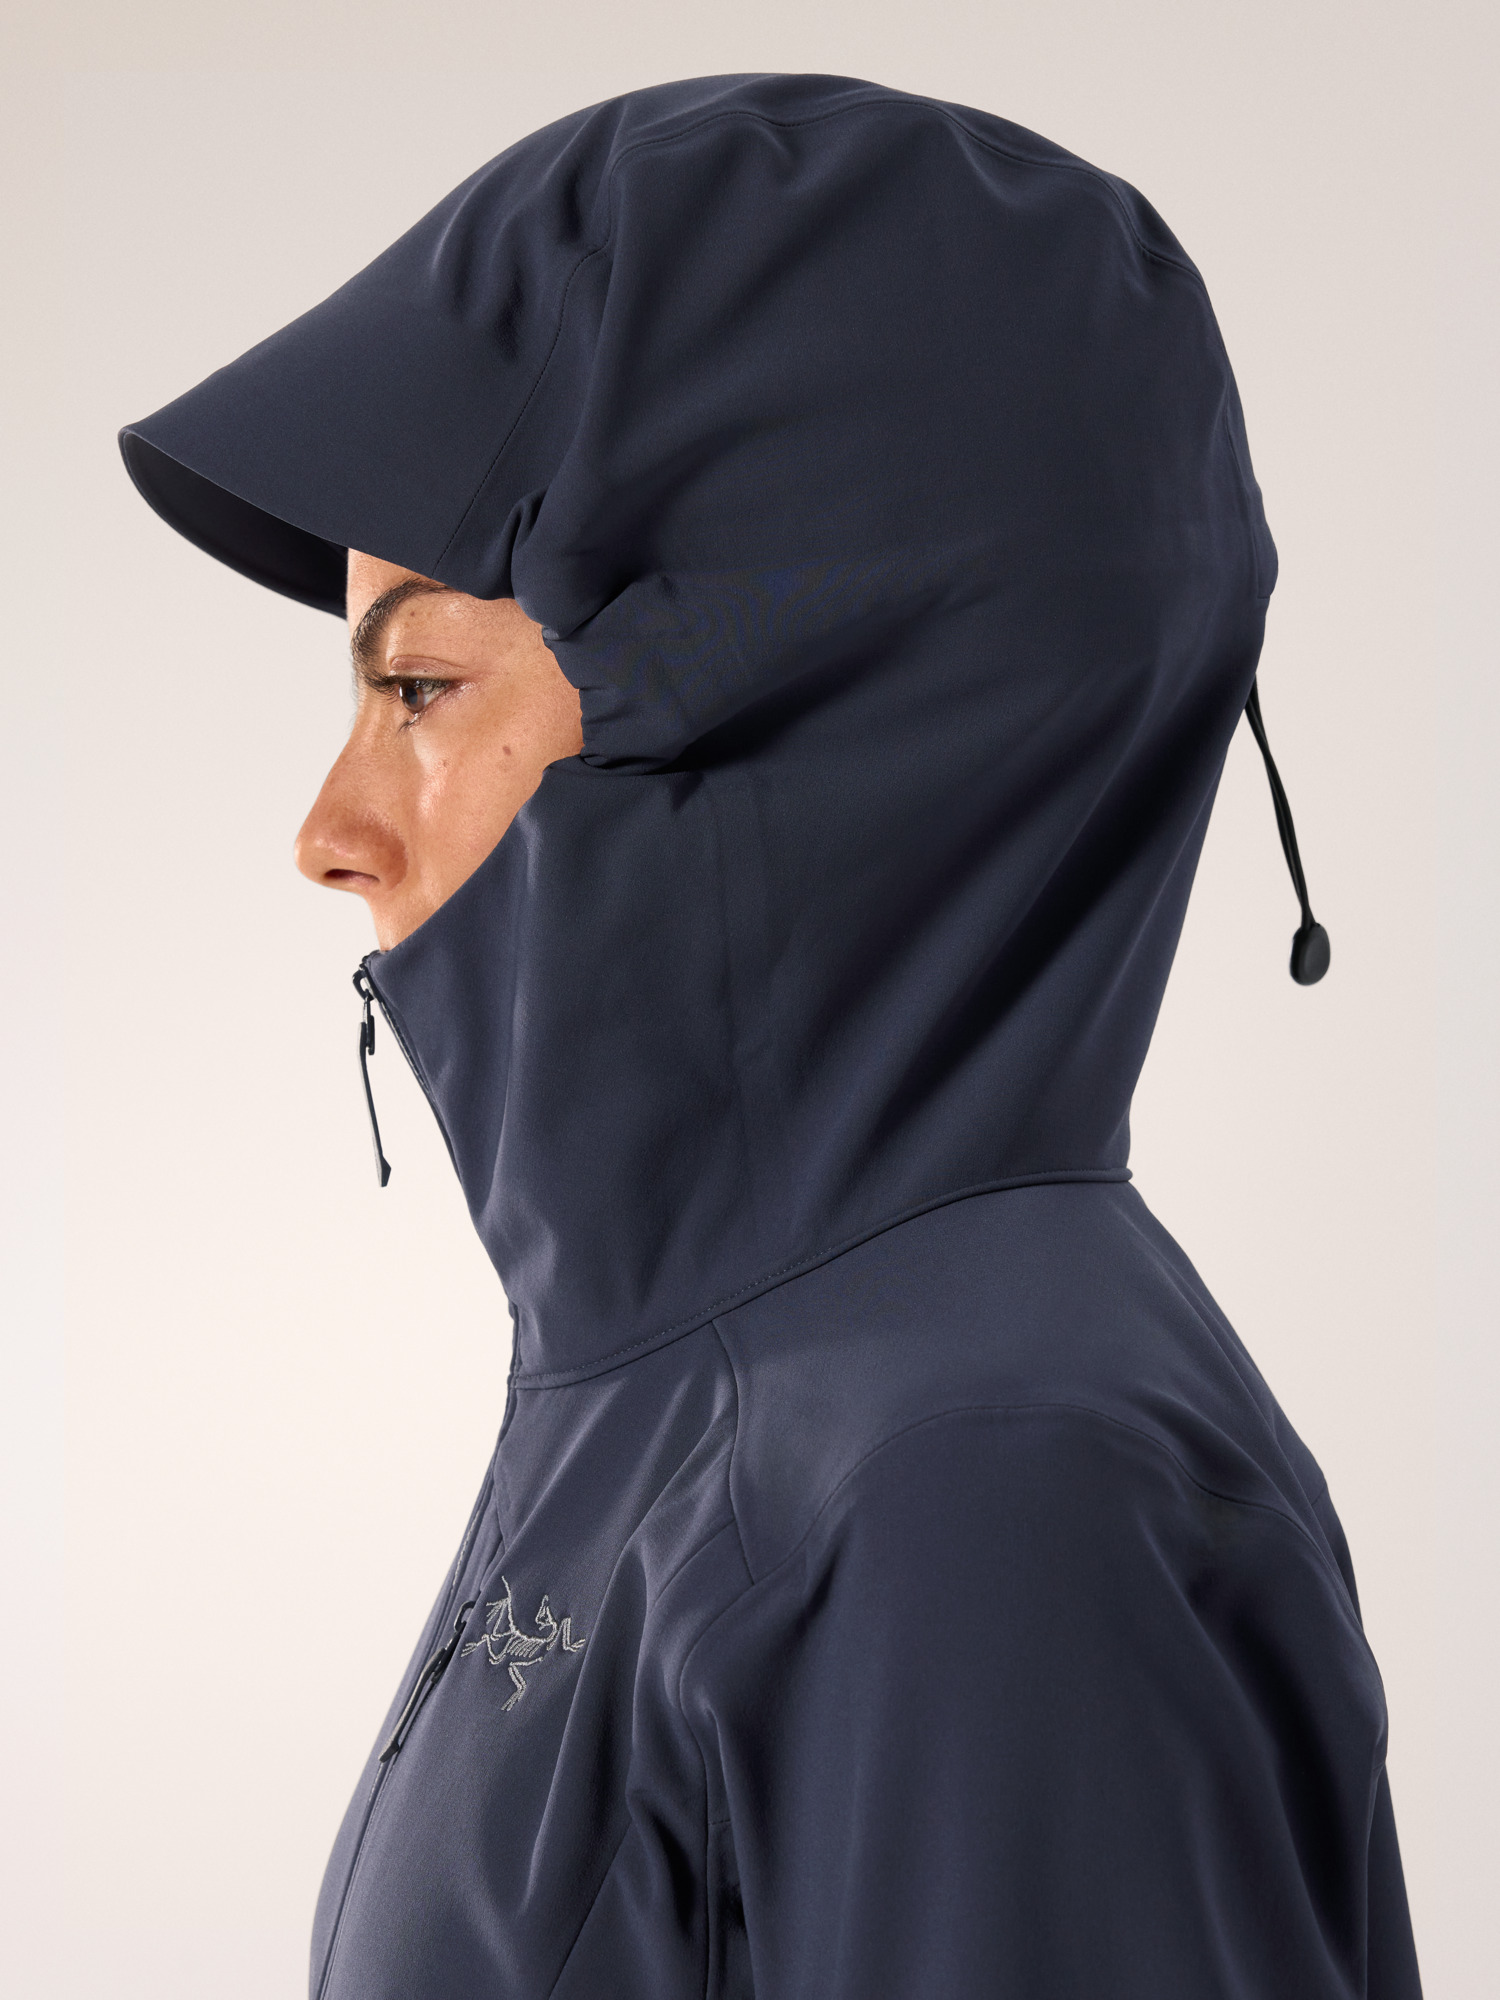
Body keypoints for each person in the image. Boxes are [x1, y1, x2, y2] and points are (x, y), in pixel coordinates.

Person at [119, 72, 1421, 2000]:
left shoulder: (979, 1504)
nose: (331, 831)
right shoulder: (721, 1392)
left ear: (786, 705)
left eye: (421, 687)